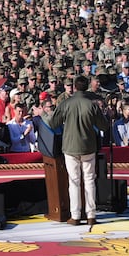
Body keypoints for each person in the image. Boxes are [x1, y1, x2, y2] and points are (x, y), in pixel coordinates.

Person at [48, 75, 109, 226]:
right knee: (89, 180)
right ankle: (91, 215)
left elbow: (53, 123)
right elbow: (104, 126)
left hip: (70, 146)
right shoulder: (92, 104)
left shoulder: (66, 103)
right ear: (87, 86)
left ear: (74, 87)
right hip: (88, 146)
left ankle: (75, 216)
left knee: (74, 181)